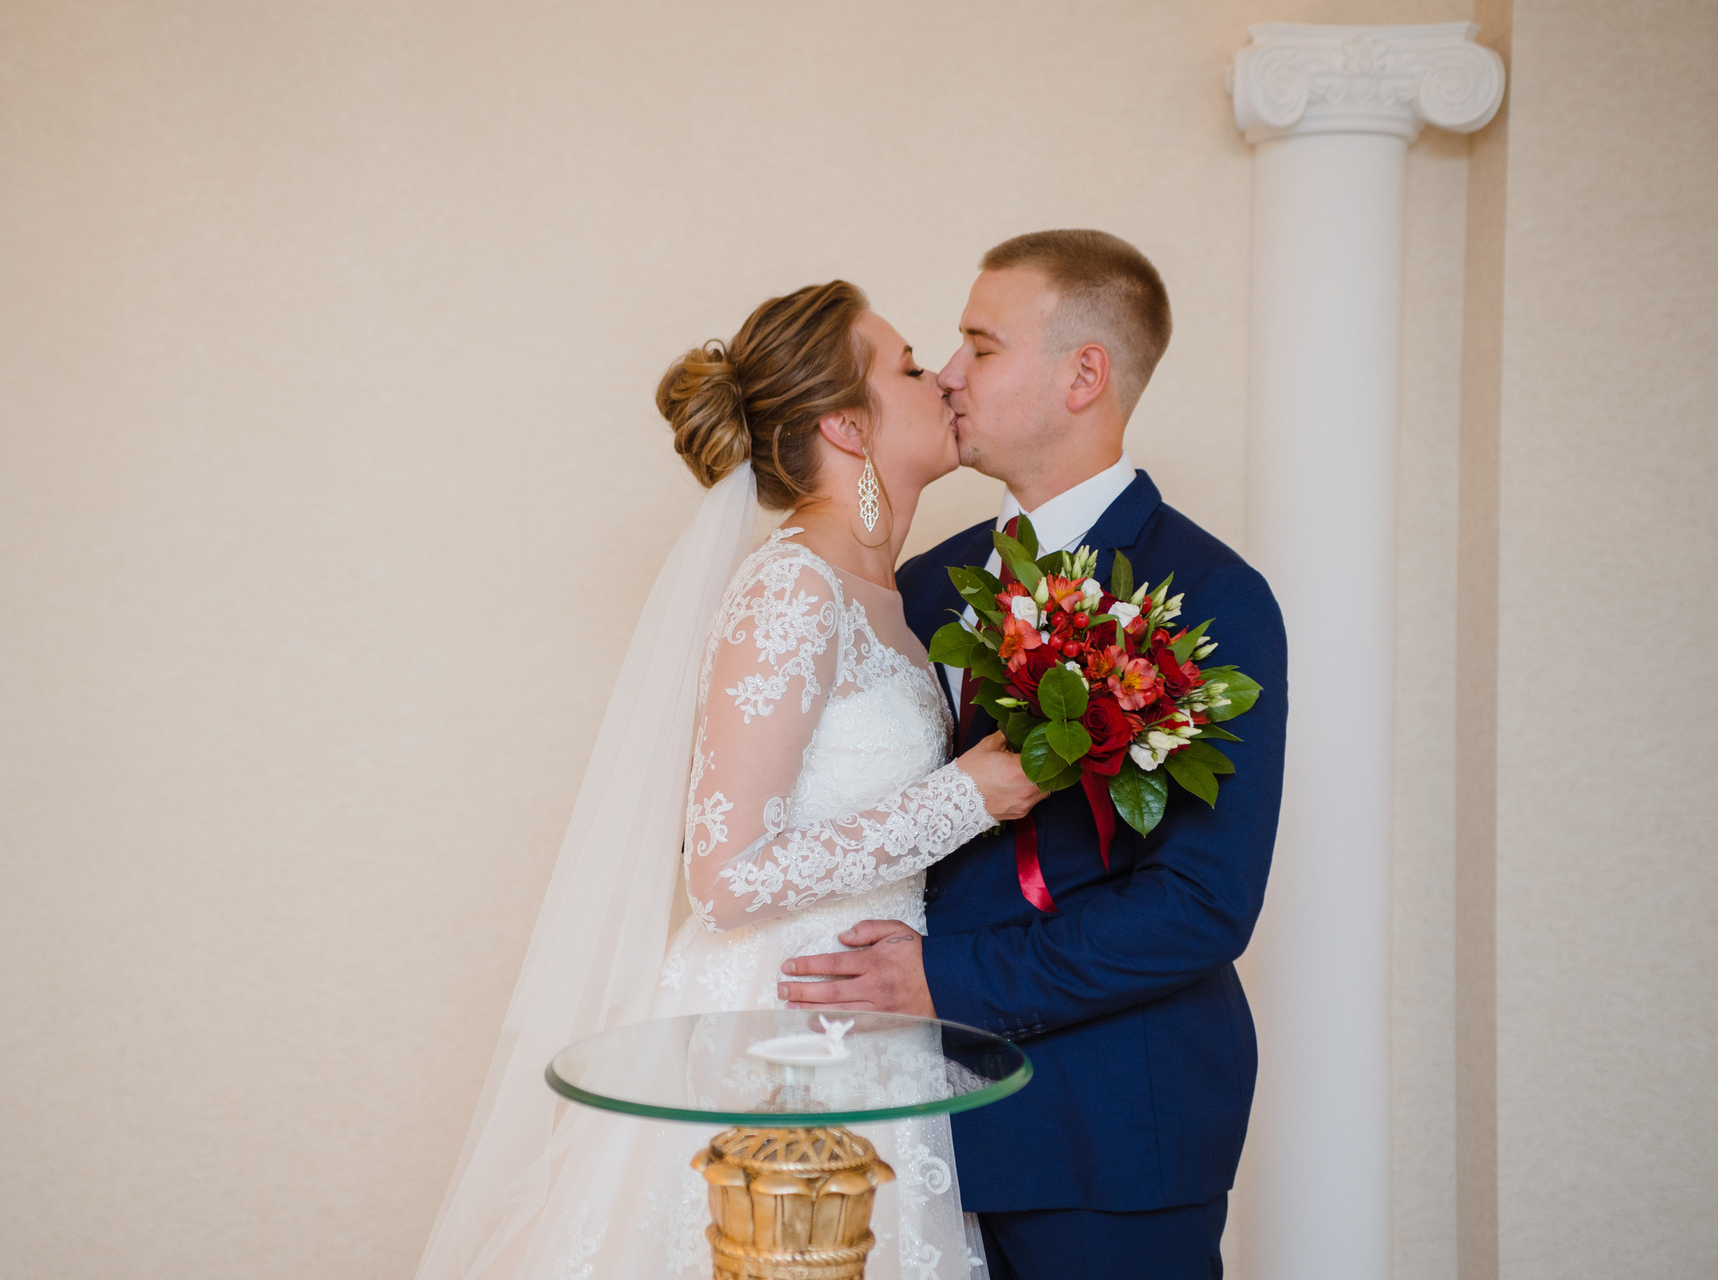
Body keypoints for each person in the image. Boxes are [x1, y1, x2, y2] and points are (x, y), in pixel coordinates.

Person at [415, 280, 1045, 1280]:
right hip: (777, 1026)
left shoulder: (888, 592)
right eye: (911, 366)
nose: (944, 380)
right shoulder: (793, 586)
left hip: (873, 1023)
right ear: (847, 425)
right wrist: (966, 796)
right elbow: (724, 873)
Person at [780, 231, 1289, 1280]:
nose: (949, 375)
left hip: (1109, 1127)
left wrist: (944, 976)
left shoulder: (1210, 596)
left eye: (981, 345)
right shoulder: (920, 584)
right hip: (911, 1129)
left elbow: (1202, 901)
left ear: (1083, 374)